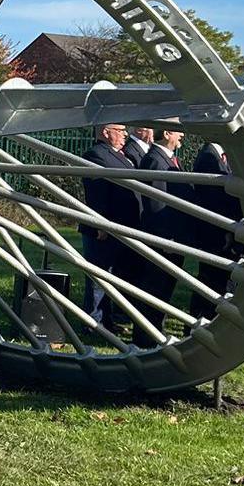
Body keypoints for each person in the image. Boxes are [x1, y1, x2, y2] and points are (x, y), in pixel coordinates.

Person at [79, 123, 140, 332]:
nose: (125, 135)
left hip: (121, 226)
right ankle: (93, 323)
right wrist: (100, 224)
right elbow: (96, 193)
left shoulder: (120, 155)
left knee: (112, 275)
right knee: (99, 277)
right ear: (106, 132)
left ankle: (107, 320)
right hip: (104, 229)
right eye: (120, 131)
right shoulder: (96, 155)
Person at [183, 136, 240, 320]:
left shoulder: (215, 155)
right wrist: (225, 229)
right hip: (214, 230)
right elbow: (213, 199)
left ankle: (206, 316)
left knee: (215, 278)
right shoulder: (209, 157)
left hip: (218, 229)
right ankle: (201, 317)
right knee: (210, 278)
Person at [136, 128, 186, 304]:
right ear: (166, 134)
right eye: (177, 131)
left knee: (165, 286)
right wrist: (165, 237)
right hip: (165, 238)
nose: (182, 135)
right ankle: (148, 330)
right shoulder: (156, 160)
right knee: (157, 286)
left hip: (173, 236)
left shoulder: (166, 158)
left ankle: (156, 326)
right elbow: (157, 203)